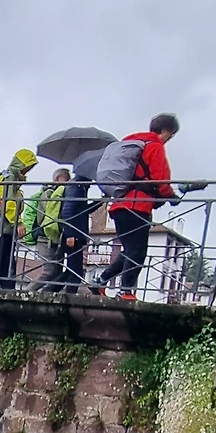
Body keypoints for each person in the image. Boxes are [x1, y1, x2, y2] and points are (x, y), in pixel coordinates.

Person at [92, 113, 181, 301]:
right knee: (137, 251)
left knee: (129, 249)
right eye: (171, 134)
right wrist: (170, 195)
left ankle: (101, 281)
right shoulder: (154, 146)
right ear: (166, 131)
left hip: (119, 205)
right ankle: (126, 291)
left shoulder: (131, 143)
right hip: (137, 206)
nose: (169, 139)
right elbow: (160, 178)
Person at [0, 149, 38, 289]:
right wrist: (18, 222)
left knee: (2, 262)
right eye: (27, 167)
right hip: (0, 228)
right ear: (21, 164)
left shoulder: (12, 179)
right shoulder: (9, 177)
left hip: (4, 228)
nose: (27, 171)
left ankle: (0, 288)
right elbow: (9, 202)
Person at [21, 167, 70, 289]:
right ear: (57, 179)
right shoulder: (49, 194)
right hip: (45, 238)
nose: (69, 183)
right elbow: (45, 217)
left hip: (54, 238)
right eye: (66, 179)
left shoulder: (57, 194)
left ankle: (44, 294)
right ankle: (27, 293)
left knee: (56, 272)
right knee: (49, 271)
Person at [56, 164, 96, 293]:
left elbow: (82, 210)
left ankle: (50, 290)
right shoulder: (76, 187)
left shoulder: (79, 187)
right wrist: (70, 234)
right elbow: (68, 211)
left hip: (74, 233)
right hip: (73, 234)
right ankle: (65, 295)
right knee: (75, 271)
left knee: (72, 270)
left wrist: (100, 202)